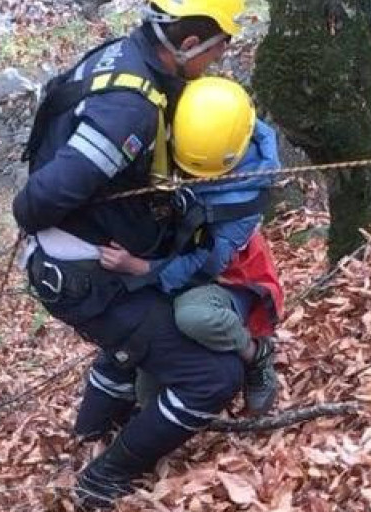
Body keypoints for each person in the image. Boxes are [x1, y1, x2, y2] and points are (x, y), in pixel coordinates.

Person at [12, 0, 246, 508]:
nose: (219, 60)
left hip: (85, 255)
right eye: (218, 48)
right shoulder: (130, 110)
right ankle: (104, 478)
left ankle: (91, 432)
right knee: (211, 376)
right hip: (80, 271)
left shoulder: (125, 55)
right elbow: (37, 201)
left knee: (144, 337)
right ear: (188, 40)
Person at [98, 76, 285, 416]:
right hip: (172, 255)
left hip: (228, 278)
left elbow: (207, 265)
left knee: (193, 316)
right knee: (148, 392)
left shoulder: (244, 194)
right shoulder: (200, 115)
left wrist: (140, 268)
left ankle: (255, 355)